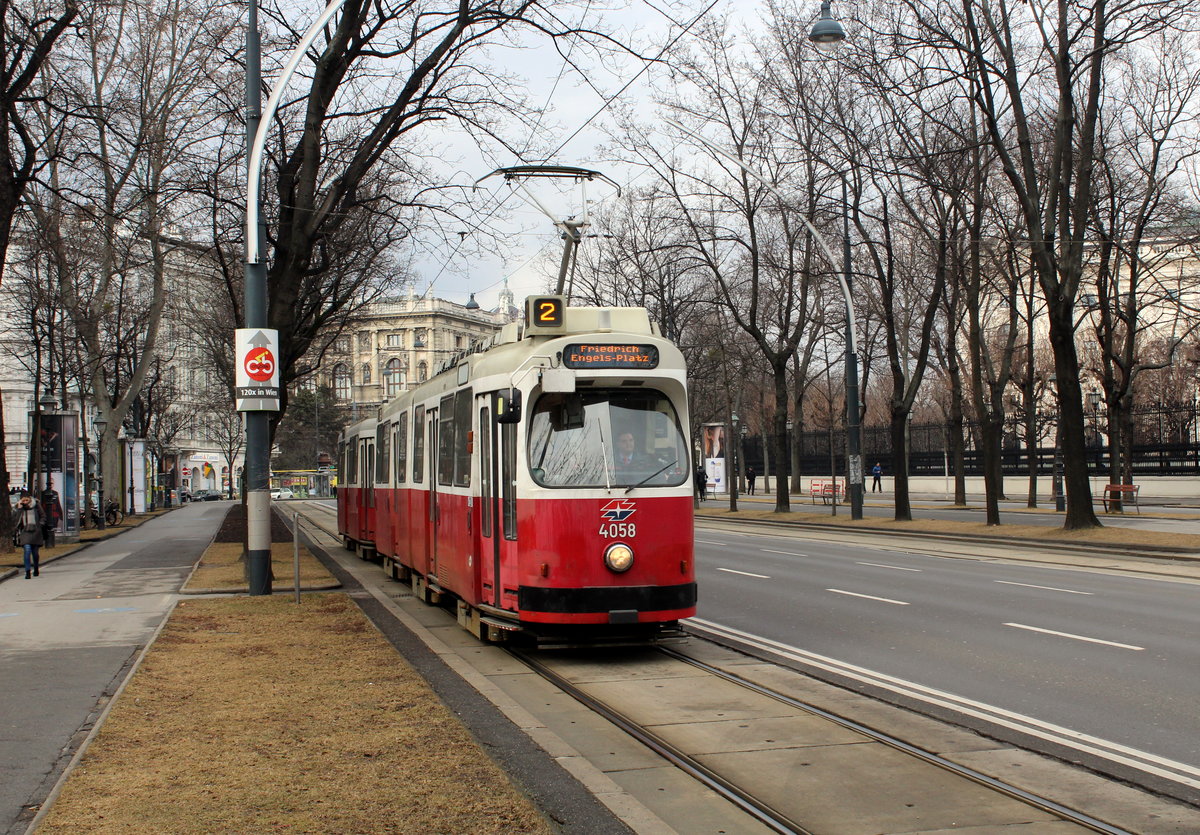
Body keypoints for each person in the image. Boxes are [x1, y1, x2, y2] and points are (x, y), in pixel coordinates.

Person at [15, 492, 46, 579]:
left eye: (26, 500)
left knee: (35, 553)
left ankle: (36, 568)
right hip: (25, 532)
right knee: (27, 550)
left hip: (36, 532)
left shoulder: (36, 505)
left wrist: (40, 524)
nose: (25, 502)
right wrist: (19, 509)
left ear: (29, 499)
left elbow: (43, 516)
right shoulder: (20, 508)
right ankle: (27, 572)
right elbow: (16, 521)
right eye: (23, 500)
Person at [42, 479, 62, 547]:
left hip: (54, 515)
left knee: (54, 527)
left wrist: (60, 515)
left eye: (52, 483)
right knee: (47, 528)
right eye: (50, 484)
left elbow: (58, 504)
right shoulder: (43, 493)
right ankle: (47, 540)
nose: (51, 485)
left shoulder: (55, 493)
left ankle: (52, 540)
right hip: (46, 514)